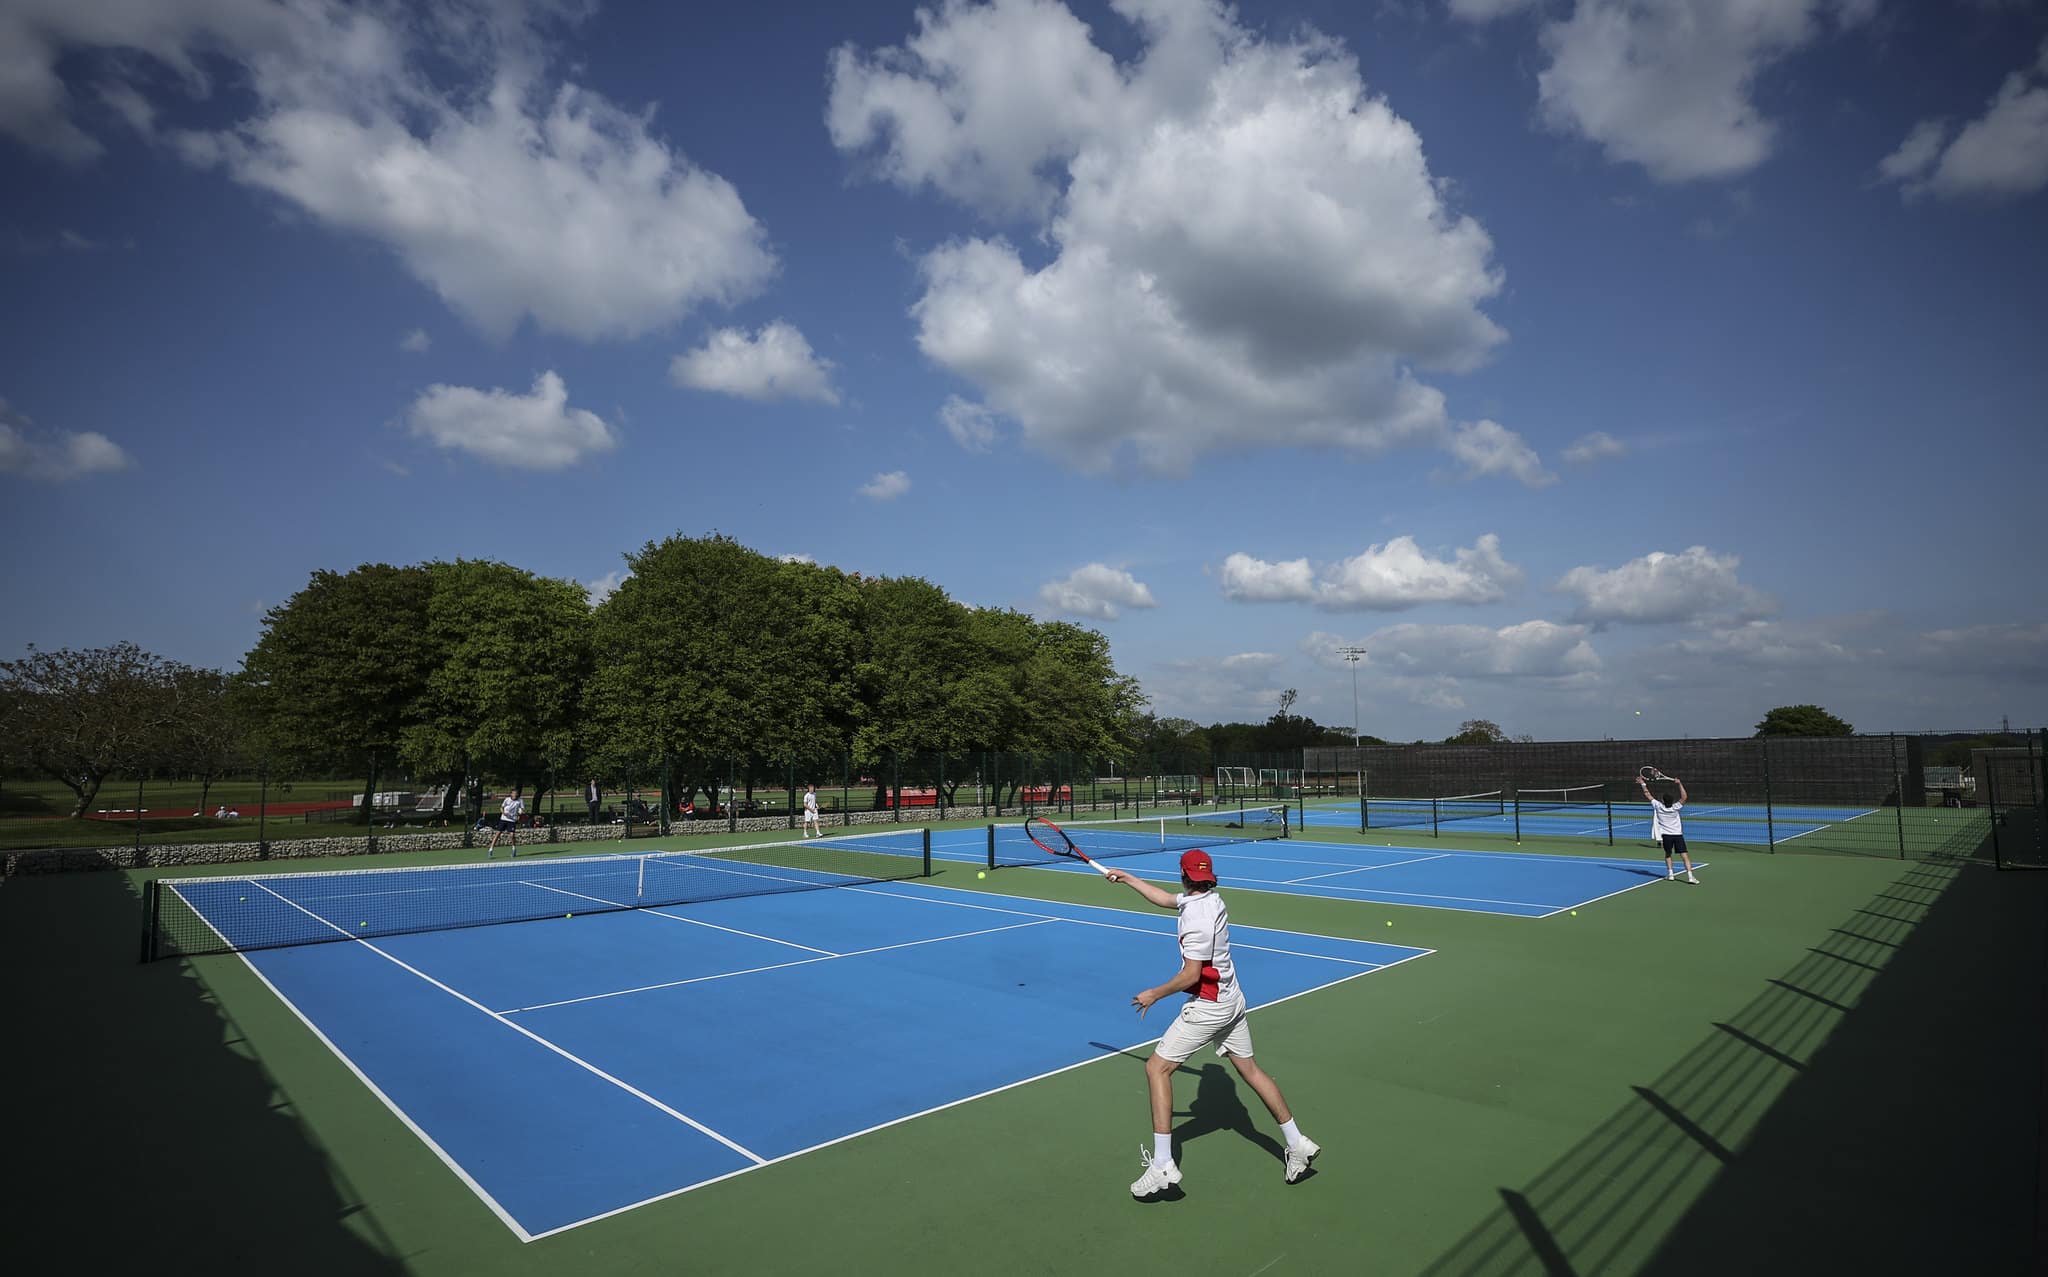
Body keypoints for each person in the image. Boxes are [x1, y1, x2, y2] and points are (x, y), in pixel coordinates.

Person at [1103, 848, 1320, 1198]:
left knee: (1157, 1069)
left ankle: (1162, 1166)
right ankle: (1297, 1143)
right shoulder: (1211, 900)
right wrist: (1128, 878)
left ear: (1184, 875)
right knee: (1250, 1071)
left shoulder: (1195, 918)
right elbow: (1167, 899)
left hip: (1209, 1006)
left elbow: (1190, 973)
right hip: (1232, 999)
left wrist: (1154, 994)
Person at [1639, 773, 1697, 883]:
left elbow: (1648, 795)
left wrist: (1643, 784)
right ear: (1672, 801)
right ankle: (1690, 877)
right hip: (1677, 835)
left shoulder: (1658, 806)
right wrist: (1679, 784)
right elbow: (1684, 797)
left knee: (1668, 854)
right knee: (1684, 855)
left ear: (1663, 800)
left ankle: (1671, 874)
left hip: (1666, 836)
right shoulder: (1676, 807)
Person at [485, 787, 524, 859]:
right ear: (511, 794)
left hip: (512, 820)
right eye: (514, 793)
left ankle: (513, 849)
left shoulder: (520, 801)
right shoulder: (507, 800)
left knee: (512, 835)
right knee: (497, 834)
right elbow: (501, 807)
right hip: (504, 819)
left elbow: (521, 809)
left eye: (516, 794)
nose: (515, 795)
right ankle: (490, 850)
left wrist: (519, 814)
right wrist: (503, 813)